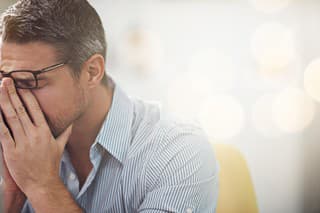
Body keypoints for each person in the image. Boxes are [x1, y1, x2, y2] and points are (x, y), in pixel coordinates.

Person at [0, 0, 218, 212]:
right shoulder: (14, 149)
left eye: (29, 82)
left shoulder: (178, 150)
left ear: (92, 72)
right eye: (2, 79)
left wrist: (42, 186)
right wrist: (12, 199)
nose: (11, 99)